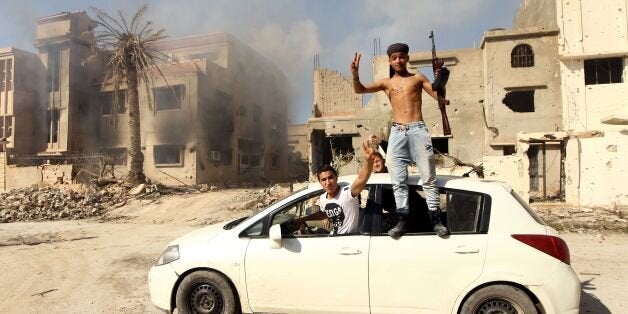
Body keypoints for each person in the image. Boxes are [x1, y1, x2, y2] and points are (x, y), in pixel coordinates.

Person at [351, 43, 449, 238]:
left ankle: (435, 220)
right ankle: (402, 218)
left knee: (428, 176)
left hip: (417, 129)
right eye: (394, 57)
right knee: (398, 179)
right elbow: (360, 90)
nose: (398, 60)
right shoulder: (386, 83)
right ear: (390, 60)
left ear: (407, 58)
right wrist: (355, 74)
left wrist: (440, 80)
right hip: (397, 131)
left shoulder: (418, 78)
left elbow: (438, 96)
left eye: (402, 57)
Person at [295, 137, 376, 235]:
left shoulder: (347, 193)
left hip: (349, 241)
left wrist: (369, 162)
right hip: (335, 238)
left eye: (330, 178)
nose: (328, 182)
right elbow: (323, 213)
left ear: (336, 178)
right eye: (324, 180)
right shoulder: (322, 199)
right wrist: (302, 220)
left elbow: (361, 179)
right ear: (320, 182)